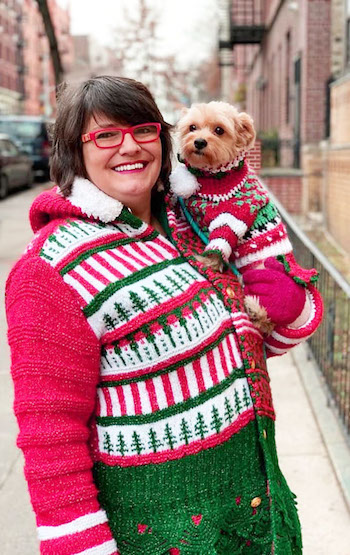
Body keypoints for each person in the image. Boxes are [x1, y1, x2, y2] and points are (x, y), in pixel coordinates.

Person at [5, 75, 323, 555]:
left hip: (257, 520)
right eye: (105, 135)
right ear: (74, 152)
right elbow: (51, 440)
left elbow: (244, 342)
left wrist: (289, 307)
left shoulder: (185, 223)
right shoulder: (50, 270)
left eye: (143, 130)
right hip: (166, 535)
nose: (128, 147)